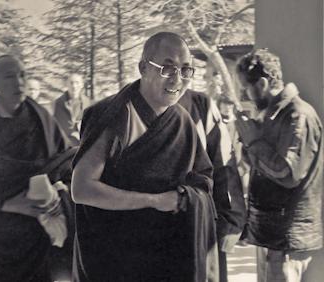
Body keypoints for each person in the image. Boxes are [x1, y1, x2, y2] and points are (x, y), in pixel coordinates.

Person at [71, 32, 217, 282]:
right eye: (168, 68)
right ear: (143, 68)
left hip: (163, 257)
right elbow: (81, 189)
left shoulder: (182, 121)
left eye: (185, 70)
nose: (177, 79)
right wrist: (153, 200)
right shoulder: (114, 114)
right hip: (112, 259)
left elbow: (202, 181)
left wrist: (185, 197)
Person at [0, 55, 74, 282]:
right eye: (10, 77)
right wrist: (8, 204)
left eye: (23, 75)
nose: (19, 83)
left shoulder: (42, 118)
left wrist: (59, 194)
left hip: (39, 231)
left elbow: (66, 160)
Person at [235, 49, 323, 282]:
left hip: (287, 237)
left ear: (262, 83)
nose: (245, 95)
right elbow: (263, 167)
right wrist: (248, 143)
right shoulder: (274, 116)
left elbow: (287, 172)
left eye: (246, 88)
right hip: (273, 235)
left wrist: (254, 140)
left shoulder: (297, 116)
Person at [179, 91, 247, 282]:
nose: (177, 76)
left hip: (201, 223)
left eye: (185, 68)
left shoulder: (201, 104)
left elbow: (224, 165)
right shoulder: (130, 105)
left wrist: (231, 220)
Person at [53, 73, 92, 147]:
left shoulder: (88, 103)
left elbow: (91, 125)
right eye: (71, 83)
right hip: (64, 145)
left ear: (81, 85)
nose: (74, 86)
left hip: (82, 144)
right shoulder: (58, 103)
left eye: (77, 83)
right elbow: (55, 125)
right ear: (67, 85)